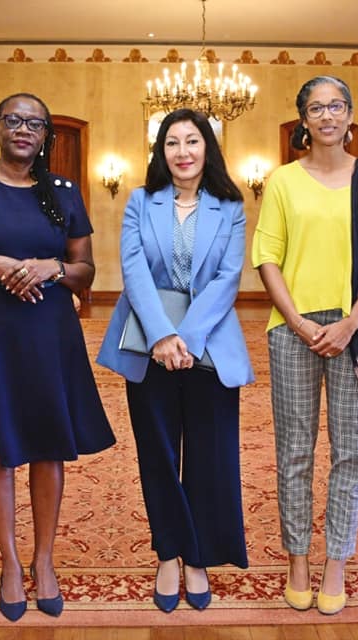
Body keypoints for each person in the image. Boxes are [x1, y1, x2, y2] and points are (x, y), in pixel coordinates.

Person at [0, 93, 115, 621]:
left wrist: (53, 268)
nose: (23, 129)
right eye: (13, 120)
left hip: (47, 333)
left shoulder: (63, 191)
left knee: (48, 447)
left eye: (35, 123)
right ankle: (10, 562)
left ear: (45, 135)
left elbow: (86, 271)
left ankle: (44, 560)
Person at [251, 76, 358, 615]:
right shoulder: (283, 181)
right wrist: (298, 323)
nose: (327, 116)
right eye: (316, 108)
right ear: (303, 119)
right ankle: (297, 559)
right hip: (292, 330)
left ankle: (336, 561)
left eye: (336, 106)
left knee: (351, 453)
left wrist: (350, 322)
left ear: (349, 114)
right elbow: (266, 255)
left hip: (356, 330)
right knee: (294, 452)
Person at [97, 108, 254, 612]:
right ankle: (169, 553)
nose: (182, 152)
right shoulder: (141, 201)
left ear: (208, 147)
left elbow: (227, 278)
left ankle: (198, 557)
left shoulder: (230, 205)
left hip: (209, 344)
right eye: (172, 142)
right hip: (149, 344)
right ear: (160, 151)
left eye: (192, 141)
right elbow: (134, 271)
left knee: (209, 456)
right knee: (158, 454)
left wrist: (186, 337)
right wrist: (162, 335)